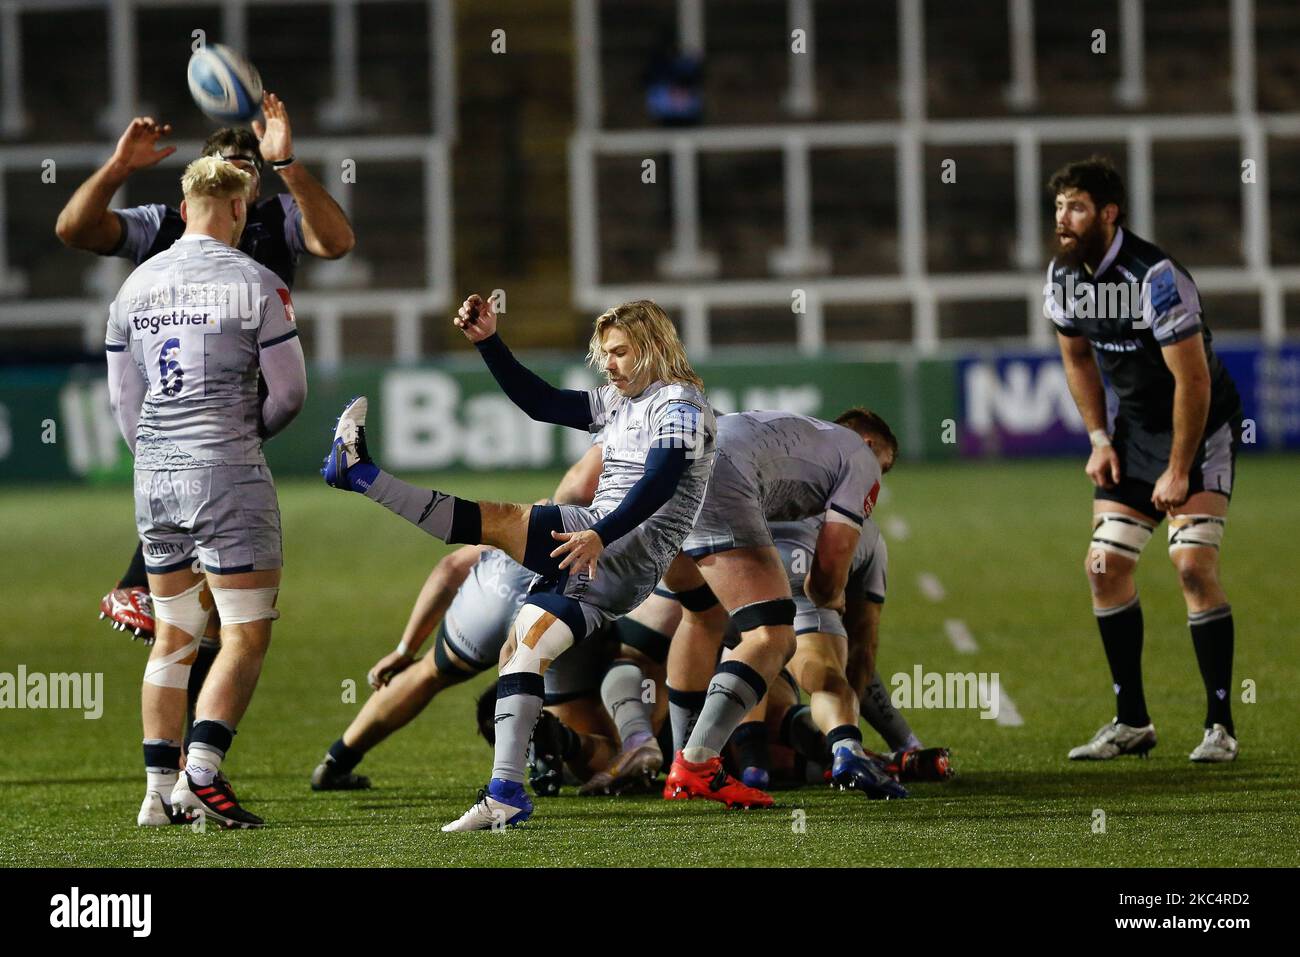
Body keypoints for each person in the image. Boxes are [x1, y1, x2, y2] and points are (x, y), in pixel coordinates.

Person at [322, 295, 719, 829]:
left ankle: (360, 475)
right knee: (522, 652)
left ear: (654, 346)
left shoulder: (680, 403)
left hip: (622, 549)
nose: (611, 365)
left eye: (621, 353)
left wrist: (600, 533)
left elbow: (661, 478)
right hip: (609, 552)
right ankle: (505, 792)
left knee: (503, 518)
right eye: (606, 355)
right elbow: (543, 403)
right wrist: (488, 341)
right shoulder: (623, 402)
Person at [57, 94, 353, 645]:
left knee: (206, 609)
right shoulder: (163, 227)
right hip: (195, 413)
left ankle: (147, 605)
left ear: (257, 187)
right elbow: (75, 230)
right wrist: (118, 167)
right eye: (226, 173)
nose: (238, 186)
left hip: (234, 414)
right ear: (200, 185)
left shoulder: (279, 218)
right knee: (226, 609)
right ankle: (147, 604)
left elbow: (336, 242)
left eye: (249, 173)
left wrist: (288, 163)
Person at [106, 155, 307, 828]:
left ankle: (156, 793)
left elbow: (122, 401)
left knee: (174, 635)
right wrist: (243, 437)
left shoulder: (134, 287)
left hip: (154, 478)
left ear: (183, 205)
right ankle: (203, 774)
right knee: (245, 634)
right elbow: (290, 394)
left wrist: (157, 454)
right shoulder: (257, 281)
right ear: (240, 209)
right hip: (226, 471)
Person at [1046, 156, 1244, 763]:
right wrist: (1099, 439)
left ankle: (1219, 726)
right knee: (1104, 567)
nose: (1063, 219)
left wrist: (1180, 467)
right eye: (1058, 208)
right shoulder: (1063, 276)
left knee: (1190, 565)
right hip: (1132, 436)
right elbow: (1077, 358)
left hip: (1198, 427)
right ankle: (1131, 721)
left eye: (1076, 207)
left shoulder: (1156, 277)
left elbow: (1193, 382)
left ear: (1109, 213)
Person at [659, 407, 901, 805]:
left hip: (669, 481)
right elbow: (830, 567)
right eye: (884, 468)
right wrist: (830, 595)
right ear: (870, 444)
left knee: (700, 617)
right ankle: (696, 764)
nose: (879, 481)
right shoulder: (858, 458)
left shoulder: (790, 431)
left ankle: (672, 758)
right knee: (772, 637)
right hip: (726, 491)